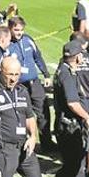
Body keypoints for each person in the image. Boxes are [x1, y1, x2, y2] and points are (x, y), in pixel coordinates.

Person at [46, 41, 89, 177]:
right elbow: (73, 103)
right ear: (78, 57)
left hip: (66, 125)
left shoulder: (65, 70)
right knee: (71, 167)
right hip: (69, 127)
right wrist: (87, 118)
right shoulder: (67, 75)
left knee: (74, 164)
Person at [8, 16, 54, 151]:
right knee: (19, 114)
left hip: (34, 83)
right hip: (17, 86)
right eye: (16, 30)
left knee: (43, 111)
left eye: (21, 30)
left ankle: (47, 142)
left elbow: (38, 57)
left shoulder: (28, 40)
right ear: (10, 29)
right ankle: (22, 144)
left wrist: (46, 74)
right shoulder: (7, 44)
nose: (19, 33)